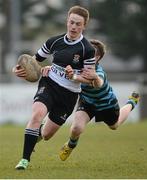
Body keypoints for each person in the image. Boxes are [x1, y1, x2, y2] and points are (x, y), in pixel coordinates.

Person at [13, 5, 96, 170]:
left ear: (84, 26)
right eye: (71, 22)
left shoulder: (87, 49)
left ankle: (37, 133)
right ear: (67, 21)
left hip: (69, 95)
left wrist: (73, 75)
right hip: (49, 84)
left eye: (78, 24)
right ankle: (24, 160)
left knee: (46, 135)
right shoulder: (54, 41)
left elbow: (90, 80)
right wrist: (17, 69)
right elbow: (34, 60)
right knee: (37, 115)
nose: (74, 27)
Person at [59, 39, 140, 161]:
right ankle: (71, 145)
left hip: (106, 104)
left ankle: (131, 103)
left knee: (114, 126)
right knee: (76, 128)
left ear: (96, 58)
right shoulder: (77, 65)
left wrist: (94, 77)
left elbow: (99, 83)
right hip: (87, 102)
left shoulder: (98, 71)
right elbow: (62, 68)